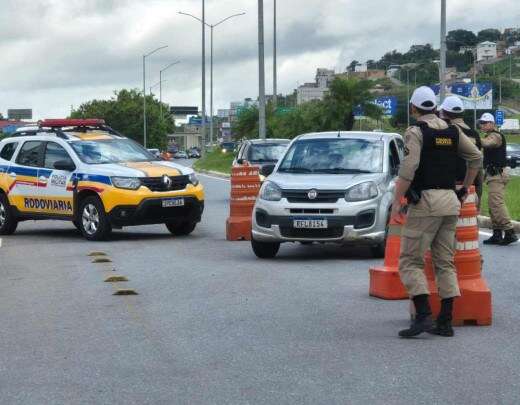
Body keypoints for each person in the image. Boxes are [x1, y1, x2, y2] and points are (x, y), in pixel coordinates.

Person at [391, 86, 482, 338]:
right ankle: (445, 321)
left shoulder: (416, 131)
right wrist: (464, 188)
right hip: (451, 202)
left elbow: (408, 170)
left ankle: (422, 316)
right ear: (434, 107)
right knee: (445, 262)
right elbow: (476, 157)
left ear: (413, 108)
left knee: (410, 261)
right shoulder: (452, 131)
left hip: (426, 203)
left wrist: (397, 201)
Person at [479, 113, 519, 245]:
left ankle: (509, 232)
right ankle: (497, 233)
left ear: (492, 123)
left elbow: (488, 143)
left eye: (485, 123)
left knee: (496, 204)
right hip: (493, 175)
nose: (482, 125)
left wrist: (474, 140)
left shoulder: (496, 136)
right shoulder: (490, 135)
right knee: (492, 205)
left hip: (497, 175)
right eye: (481, 123)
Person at [439, 96, 484, 209]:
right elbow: (477, 166)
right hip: (469, 189)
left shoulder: (447, 132)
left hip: (450, 190)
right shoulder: (475, 134)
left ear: (444, 112)